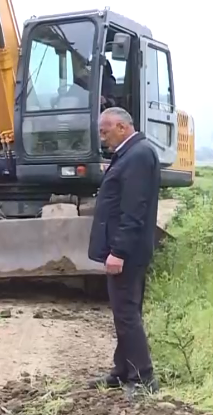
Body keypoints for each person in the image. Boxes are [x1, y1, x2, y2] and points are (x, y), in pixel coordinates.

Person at [87, 107, 160, 398]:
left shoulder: (139, 155)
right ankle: (122, 371)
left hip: (127, 253)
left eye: (105, 132)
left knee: (127, 314)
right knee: (124, 313)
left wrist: (118, 251)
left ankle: (144, 378)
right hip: (126, 250)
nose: (102, 138)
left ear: (121, 127)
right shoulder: (130, 154)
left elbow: (134, 210)